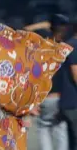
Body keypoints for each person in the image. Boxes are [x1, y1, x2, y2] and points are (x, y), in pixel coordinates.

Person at [33, 14, 70, 150]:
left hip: (45, 97)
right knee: (60, 128)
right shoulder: (65, 49)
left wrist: (42, 25)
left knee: (44, 128)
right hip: (61, 97)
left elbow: (23, 31)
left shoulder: (41, 49)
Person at [59, 20, 77, 150]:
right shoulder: (74, 46)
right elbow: (75, 74)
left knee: (71, 140)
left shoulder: (67, 45)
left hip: (66, 99)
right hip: (73, 101)